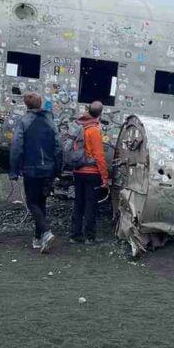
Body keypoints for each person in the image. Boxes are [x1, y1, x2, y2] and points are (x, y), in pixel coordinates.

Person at [9, 92, 63, 253]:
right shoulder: (50, 121)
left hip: (31, 169)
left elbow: (16, 147)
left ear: (26, 105)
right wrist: (58, 169)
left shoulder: (24, 122)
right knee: (42, 203)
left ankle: (45, 232)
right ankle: (38, 239)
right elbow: (58, 146)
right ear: (41, 104)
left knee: (32, 203)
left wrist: (13, 170)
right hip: (48, 170)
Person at [70, 100, 109, 244]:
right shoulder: (94, 130)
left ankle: (75, 235)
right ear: (100, 113)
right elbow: (99, 156)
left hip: (78, 171)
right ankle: (89, 237)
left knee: (78, 203)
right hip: (92, 173)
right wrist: (105, 177)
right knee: (90, 204)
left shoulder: (79, 126)